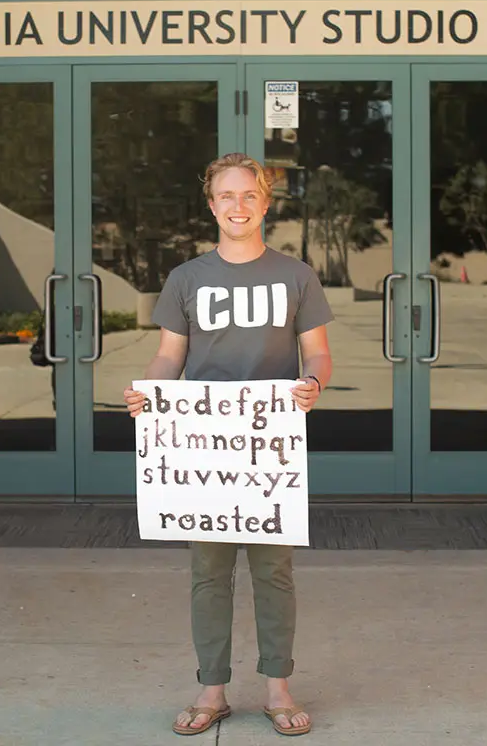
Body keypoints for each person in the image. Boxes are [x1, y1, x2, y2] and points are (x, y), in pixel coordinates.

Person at [123, 153, 333, 737]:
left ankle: (278, 687)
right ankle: (211, 689)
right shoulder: (186, 278)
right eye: (226, 197)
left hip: (270, 448)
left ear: (265, 203)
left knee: (274, 573)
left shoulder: (296, 275)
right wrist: (150, 395)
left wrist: (313, 383)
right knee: (209, 573)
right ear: (211, 205)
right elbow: (170, 354)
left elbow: (316, 351)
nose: (237, 206)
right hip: (202, 449)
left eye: (249, 195)